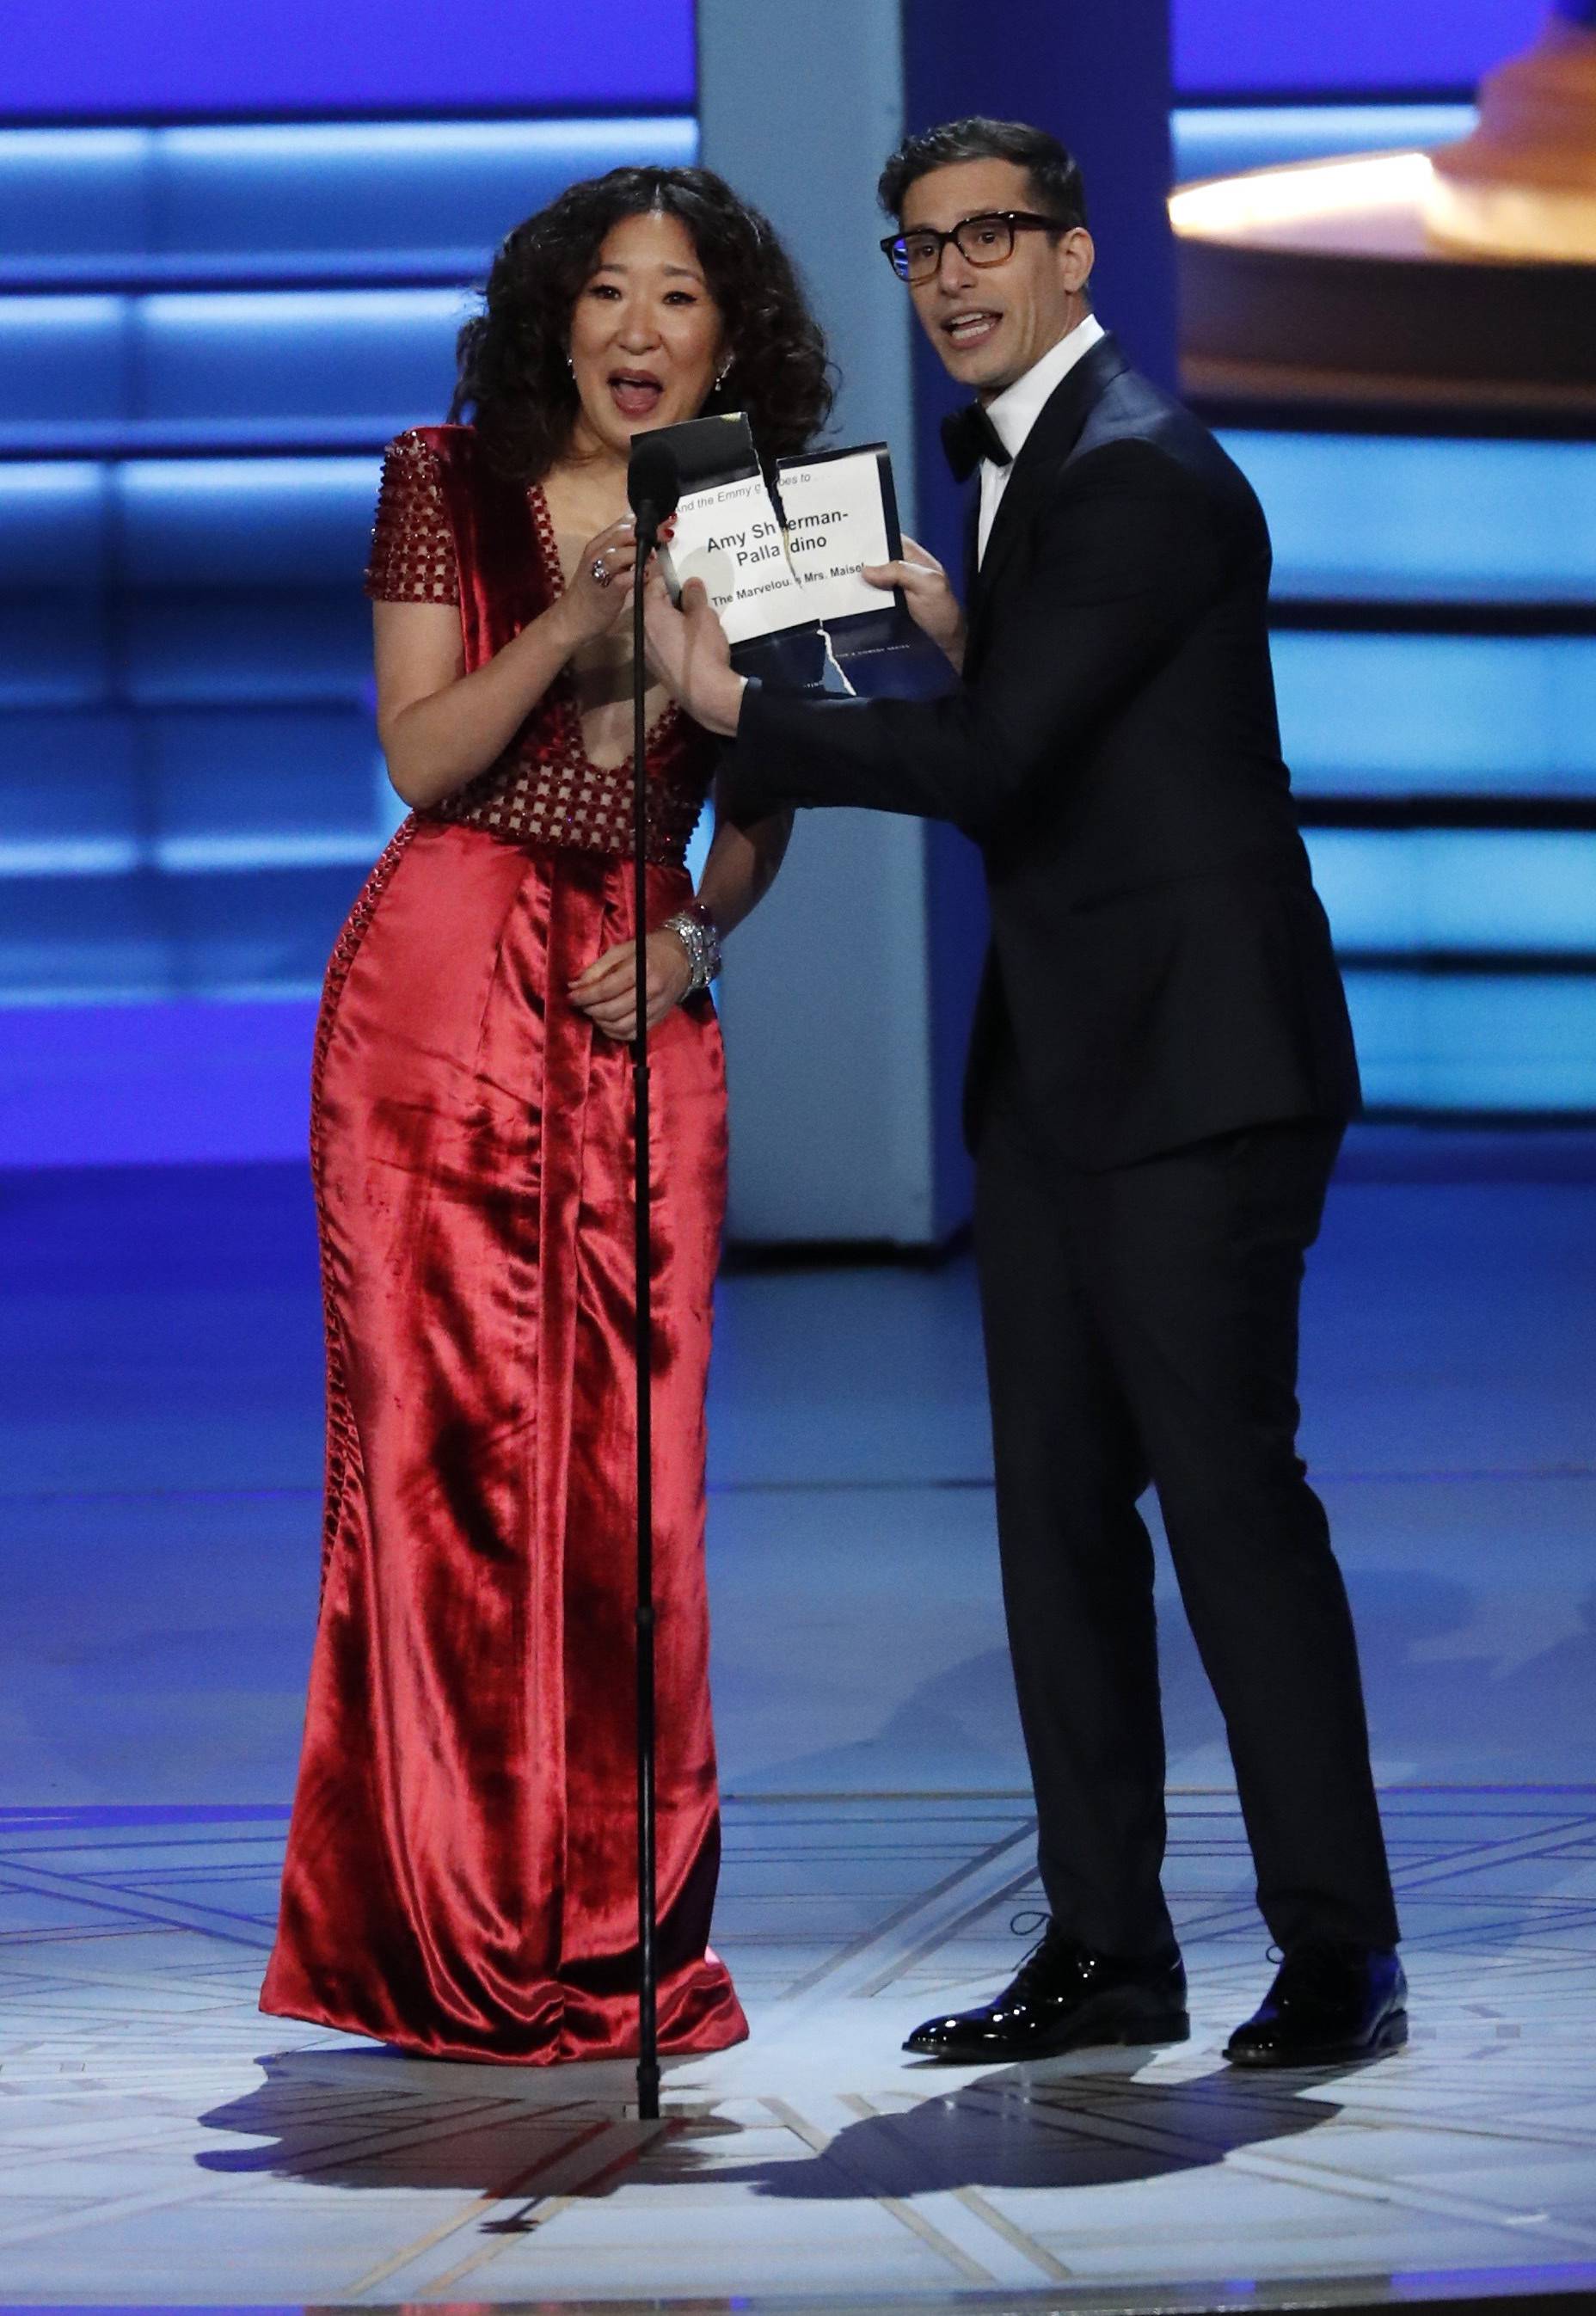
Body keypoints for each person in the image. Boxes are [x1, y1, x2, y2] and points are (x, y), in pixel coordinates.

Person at [644, 118, 1405, 2070]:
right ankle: (1109, 1950)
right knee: (1057, 1520)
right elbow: (1049, 740)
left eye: (989, 238)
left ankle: (1337, 1948)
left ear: (1074, 257)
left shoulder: (1138, 475)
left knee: (1232, 1508)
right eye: (919, 248)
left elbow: (991, 773)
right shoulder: (1045, 472)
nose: (954, 274)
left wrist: (742, 710)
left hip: (1197, 1074)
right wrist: (971, 653)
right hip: (1064, 1072)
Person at [260, 166, 828, 2065]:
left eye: (681, 299)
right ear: (554, 319)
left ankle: (623, 1937)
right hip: (442, 990)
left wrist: (698, 941)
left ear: (730, 339)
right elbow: (419, 752)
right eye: (607, 294)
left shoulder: (767, 525)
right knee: (438, 1477)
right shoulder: (445, 474)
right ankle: (431, 1935)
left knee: (636, 1488)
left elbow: (770, 807)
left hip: (640, 1000)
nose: (639, 331)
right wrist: (570, 631)